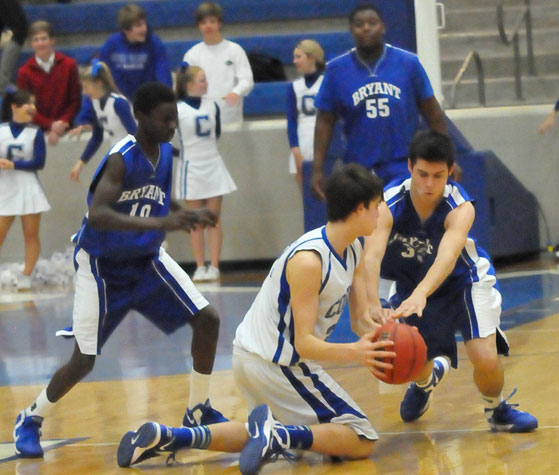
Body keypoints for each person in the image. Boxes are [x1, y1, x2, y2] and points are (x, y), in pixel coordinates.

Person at [117, 163, 396, 473]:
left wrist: (387, 338)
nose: (382, 211)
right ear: (359, 209)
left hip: (255, 357)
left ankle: (170, 437)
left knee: (270, 430)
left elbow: (359, 321)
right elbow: (304, 344)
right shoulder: (309, 260)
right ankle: (278, 436)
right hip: (275, 363)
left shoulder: (353, 248)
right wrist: (356, 353)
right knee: (361, 437)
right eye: (377, 205)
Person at [13, 82, 228, 459]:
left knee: (207, 319)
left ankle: (197, 411)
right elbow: (98, 213)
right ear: (141, 117)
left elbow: (157, 197)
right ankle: (30, 418)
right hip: (101, 266)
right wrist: (158, 225)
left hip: (145, 261)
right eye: (165, 120)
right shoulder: (120, 157)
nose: (172, 126)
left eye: (174, 119)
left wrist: (183, 213)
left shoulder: (164, 152)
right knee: (83, 360)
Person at [364, 130, 538, 432]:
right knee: (409, 357)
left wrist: (422, 293)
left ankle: (496, 410)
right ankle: (425, 381)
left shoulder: (460, 206)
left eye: (438, 175)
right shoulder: (388, 204)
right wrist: (369, 303)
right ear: (409, 167)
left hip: (464, 281)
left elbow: (446, 257)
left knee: (484, 357)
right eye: (422, 174)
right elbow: (371, 255)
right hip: (410, 284)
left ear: (450, 172)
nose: (429, 184)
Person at [311, 3, 447, 199]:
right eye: (359, 24)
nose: (366, 28)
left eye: (372, 23)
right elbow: (324, 121)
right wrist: (317, 169)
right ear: (351, 30)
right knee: (364, 227)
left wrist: (445, 157)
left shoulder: (408, 64)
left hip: (404, 164)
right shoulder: (336, 70)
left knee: (404, 226)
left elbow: (432, 111)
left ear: (383, 27)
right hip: (358, 168)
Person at [174, 64, 236, 282]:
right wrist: (179, 153)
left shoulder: (212, 106)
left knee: (213, 219)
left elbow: (216, 133)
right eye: (202, 79)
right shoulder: (178, 108)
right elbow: (165, 137)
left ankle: (215, 266)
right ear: (189, 84)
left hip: (212, 164)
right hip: (191, 167)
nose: (206, 83)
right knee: (195, 221)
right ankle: (200, 266)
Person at [0, 89, 49, 291]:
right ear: (15, 107)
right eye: (29, 103)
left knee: (30, 234)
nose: (33, 108)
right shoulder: (1, 130)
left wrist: (14, 166)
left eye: (34, 104)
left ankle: (26, 276)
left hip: (28, 188)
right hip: (5, 187)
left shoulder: (35, 133)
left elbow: (39, 162)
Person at [182, 2, 254, 125]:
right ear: (199, 26)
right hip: (203, 120)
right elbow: (185, 85)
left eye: (212, 21)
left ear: (219, 23)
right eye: (204, 23)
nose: (208, 26)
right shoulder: (192, 55)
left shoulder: (235, 50)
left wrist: (236, 92)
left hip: (231, 118)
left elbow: (247, 80)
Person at [68, 60, 136, 182]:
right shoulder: (95, 104)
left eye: (86, 87)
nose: (84, 92)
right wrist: (80, 163)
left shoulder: (118, 103)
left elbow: (135, 134)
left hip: (133, 156)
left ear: (98, 83)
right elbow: (96, 137)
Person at [16, 21, 81, 145]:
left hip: (67, 128)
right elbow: (26, 108)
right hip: (37, 132)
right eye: (36, 40)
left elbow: (75, 100)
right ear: (31, 43)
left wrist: (62, 123)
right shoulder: (24, 73)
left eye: (44, 38)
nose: (40, 43)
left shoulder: (69, 65)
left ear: (52, 40)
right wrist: (50, 125)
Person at [99, 3, 172, 101]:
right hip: (119, 102)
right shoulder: (112, 44)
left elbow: (164, 76)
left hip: (149, 102)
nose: (144, 29)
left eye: (145, 24)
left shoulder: (154, 43)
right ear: (126, 30)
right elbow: (101, 72)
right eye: (138, 25)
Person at [287, 39, 325, 190]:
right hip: (303, 143)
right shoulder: (294, 87)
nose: (294, 61)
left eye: (298, 57)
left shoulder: (327, 82)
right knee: (306, 198)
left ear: (312, 57)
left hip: (323, 143)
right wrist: (295, 148)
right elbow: (291, 121)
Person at [0, 0, 28, 95]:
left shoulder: (9, 3)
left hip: (17, 36)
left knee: (4, 71)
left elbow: (21, 26)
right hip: (9, 34)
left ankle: (2, 91)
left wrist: (10, 35)